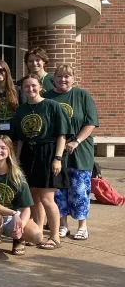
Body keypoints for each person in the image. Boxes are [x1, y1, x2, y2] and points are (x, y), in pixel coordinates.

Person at [13, 74, 69, 250]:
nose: (30, 89)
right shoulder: (21, 110)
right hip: (28, 155)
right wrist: (17, 161)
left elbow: (62, 135)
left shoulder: (52, 106)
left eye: (33, 86)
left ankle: (54, 236)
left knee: (47, 198)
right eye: (26, 87)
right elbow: (19, 139)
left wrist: (58, 158)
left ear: (40, 87)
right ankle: (37, 233)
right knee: (34, 197)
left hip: (47, 153)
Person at [44, 64, 98, 240]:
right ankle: (63, 225)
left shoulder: (82, 95)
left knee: (79, 190)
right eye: (59, 76)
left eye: (67, 76)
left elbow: (90, 123)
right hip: (56, 152)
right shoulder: (47, 97)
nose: (63, 80)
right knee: (59, 190)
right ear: (54, 78)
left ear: (73, 78)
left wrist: (76, 140)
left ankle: (82, 226)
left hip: (80, 151)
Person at [0, 136, 42, 259]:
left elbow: (26, 208)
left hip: (13, 218)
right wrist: (14, 213)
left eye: (3, 148)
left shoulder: (17, 176)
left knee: (36, 235)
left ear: (10, 151)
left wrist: (20, 226)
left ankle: (18, 239)